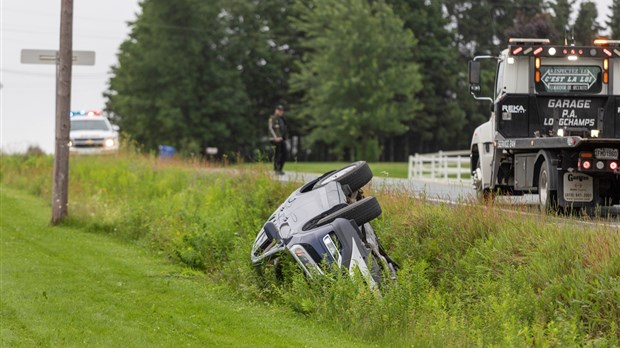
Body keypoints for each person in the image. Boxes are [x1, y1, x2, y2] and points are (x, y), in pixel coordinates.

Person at [268, 104, 289, 175]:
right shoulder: (273, 118)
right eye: (279, 110)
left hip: (282, 139)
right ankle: (276, 169)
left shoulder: (282, 119)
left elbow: (284, 129)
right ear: (276, 110)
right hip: (275, 139)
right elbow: (271, 128)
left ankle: (280, 168)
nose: (281, 112)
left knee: (285, 153)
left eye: (282, 111)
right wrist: (275, 137)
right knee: (278, 154)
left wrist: (285, 137)